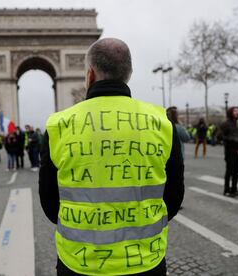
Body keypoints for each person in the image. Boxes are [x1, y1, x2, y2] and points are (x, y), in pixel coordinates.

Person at [39, 38, 184, 275]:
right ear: (129, 74)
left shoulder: (59, 126)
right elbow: (174, 196)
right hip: (145, 261)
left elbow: (49, 202)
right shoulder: (161, 123)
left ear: (89, 74)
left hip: (79, 262)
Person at [218, 107, 238, 197]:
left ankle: (234, 189)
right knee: (229, 171)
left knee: (236, 171)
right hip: (229, 150)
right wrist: (232, 139)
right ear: (230, 112)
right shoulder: (226, 124)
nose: (237, 112)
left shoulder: (236, 123)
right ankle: (226, 190)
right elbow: (219, 136)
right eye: (235, 111)